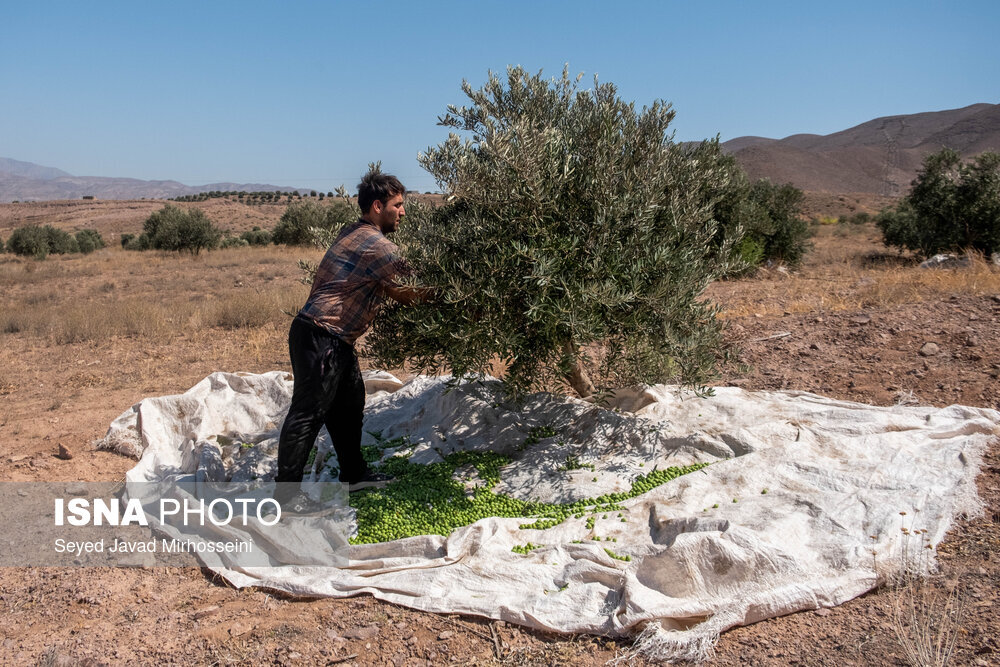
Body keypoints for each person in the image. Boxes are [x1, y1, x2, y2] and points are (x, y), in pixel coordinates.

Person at [274, 168, 431, 508]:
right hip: (321, 338)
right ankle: (286, 499)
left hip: (332, 340)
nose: (403, 212)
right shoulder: (377, 245)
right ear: (378, 206)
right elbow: (412, 288)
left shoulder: (355, 232)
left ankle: (354, 475)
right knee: (306, 415)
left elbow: (396, 289)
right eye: (398, 205)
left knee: (349, 406)